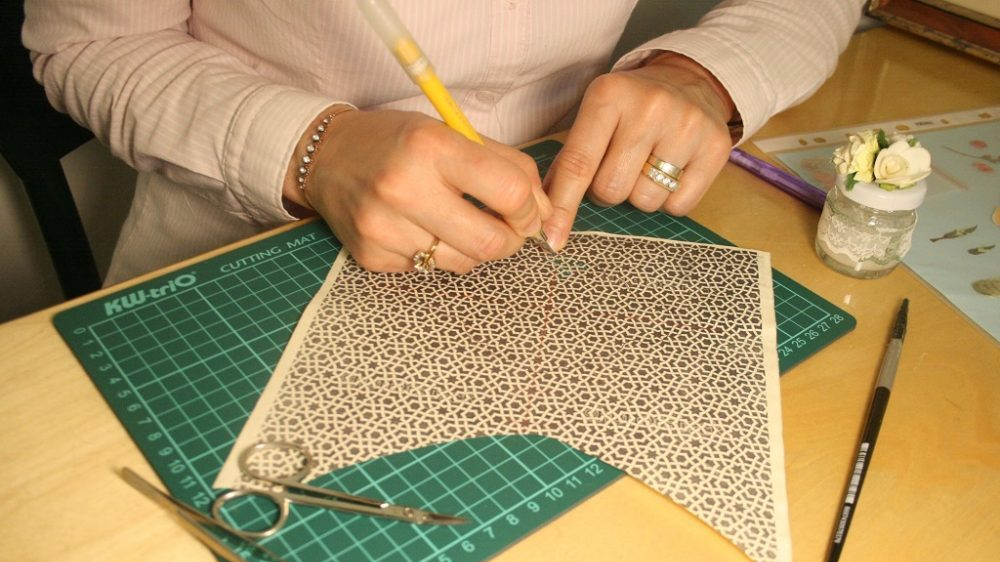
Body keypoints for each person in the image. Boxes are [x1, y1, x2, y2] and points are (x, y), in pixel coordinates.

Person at [23, 1, 863, 283]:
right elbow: (87, 43)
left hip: (568, 206)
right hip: (241, 251)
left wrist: (704, 75)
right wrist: (313, 150)